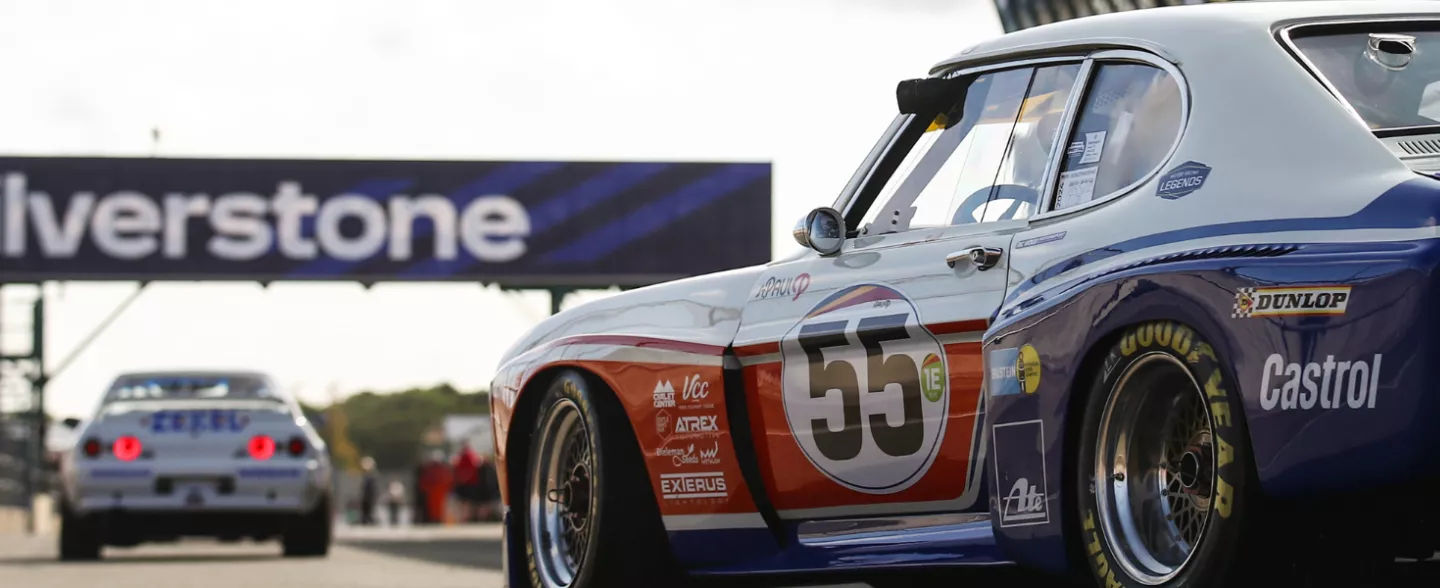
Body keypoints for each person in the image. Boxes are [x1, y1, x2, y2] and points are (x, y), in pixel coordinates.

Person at [419, 449, 453, 525]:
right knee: (433, 508)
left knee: (440, 508)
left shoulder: (442, 469)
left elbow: (448, 480)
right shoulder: (431, 469)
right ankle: (434, 520)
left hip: (439, 491)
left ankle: (438, 520)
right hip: (434, 492)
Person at [452, 441, 481, 523]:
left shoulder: (469, 455)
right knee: (461, 502)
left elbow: (472, 469)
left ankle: (465, 518)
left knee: (467, 502)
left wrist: (464, 478)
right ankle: (463, 518)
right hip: (462, 483)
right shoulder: (461, 456)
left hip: (469, 483)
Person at [359, 456, 378, 526]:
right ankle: (366, 519)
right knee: (366, 509)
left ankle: (368, 519)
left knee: (369, 509)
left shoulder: (371, 476)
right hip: (367, 496)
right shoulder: (367, 476)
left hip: (369, 496)